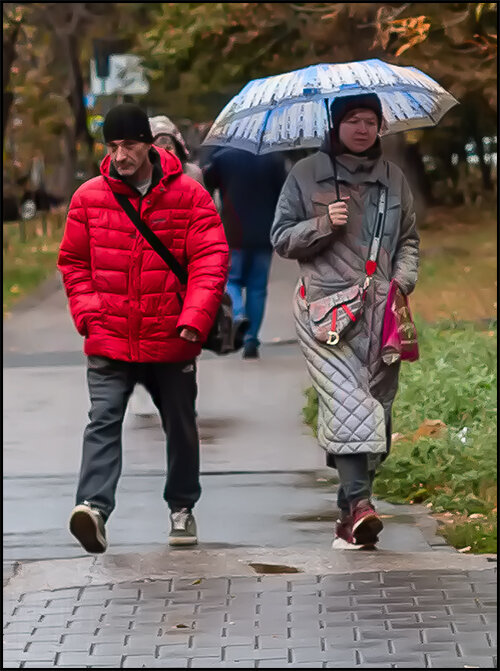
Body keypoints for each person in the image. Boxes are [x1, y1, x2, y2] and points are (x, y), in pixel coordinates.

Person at [58, 103, 229, 553]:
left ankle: (181, 507)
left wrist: (194, 318)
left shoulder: (189, 195)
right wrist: (88, 313)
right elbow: (73, 262)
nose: (121, 156)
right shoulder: (89, 197)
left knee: (180, 423)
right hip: (109, 334)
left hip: (170, 335)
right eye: (113, 147)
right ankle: (93, 508)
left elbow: (210, 260)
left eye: (129, 145)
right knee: (103, 420)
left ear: (149, 145)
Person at [270, 93, 419, 549]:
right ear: (335, 126)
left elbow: (408, 238)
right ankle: (361, 506)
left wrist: (404, 279)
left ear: (380, 127)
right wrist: (321, 225)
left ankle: (349, 515)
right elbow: (280, 238)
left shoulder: (394, 179)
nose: (362, 128)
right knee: (351, 405)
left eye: (370, 121)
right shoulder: (305, 175)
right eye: (353, 120)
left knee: (376, 411)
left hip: (381, 314)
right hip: (327, 313)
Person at [129, 115, 205, 418]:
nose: (164, 150)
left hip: (182, 270)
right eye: (157, 143)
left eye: (168, 143)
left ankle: (183, 401)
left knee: (182, 341)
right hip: (145, 273)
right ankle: (151, 387)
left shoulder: (192, 175)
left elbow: (205, 218)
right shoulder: (135, 179)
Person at [203, 147, 287, 359]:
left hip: (233, 231)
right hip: (264, 232)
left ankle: (238, 314)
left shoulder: (223, 158)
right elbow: (283, 195)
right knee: (258, 288)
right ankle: (251, 339)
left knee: (230, 280)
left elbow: (208, 183)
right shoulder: (274, 159)